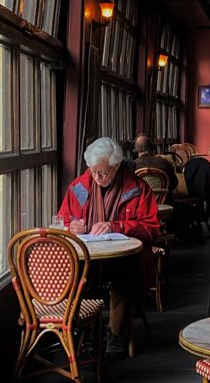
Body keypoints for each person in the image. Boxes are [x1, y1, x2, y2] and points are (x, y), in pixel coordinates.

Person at [57, 136, 160, 356]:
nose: (96, 177)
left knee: (123, 276)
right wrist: (70, 226)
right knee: (75, 276)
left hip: (125, 259)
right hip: (87, 257)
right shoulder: (78, 187)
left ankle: (114, 335)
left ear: (116, 166)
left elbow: (152, 227)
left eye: (102, 173)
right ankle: (79, 332)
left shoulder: (138, 188)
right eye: (93, 171)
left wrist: (118, 226)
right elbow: (62, 220)